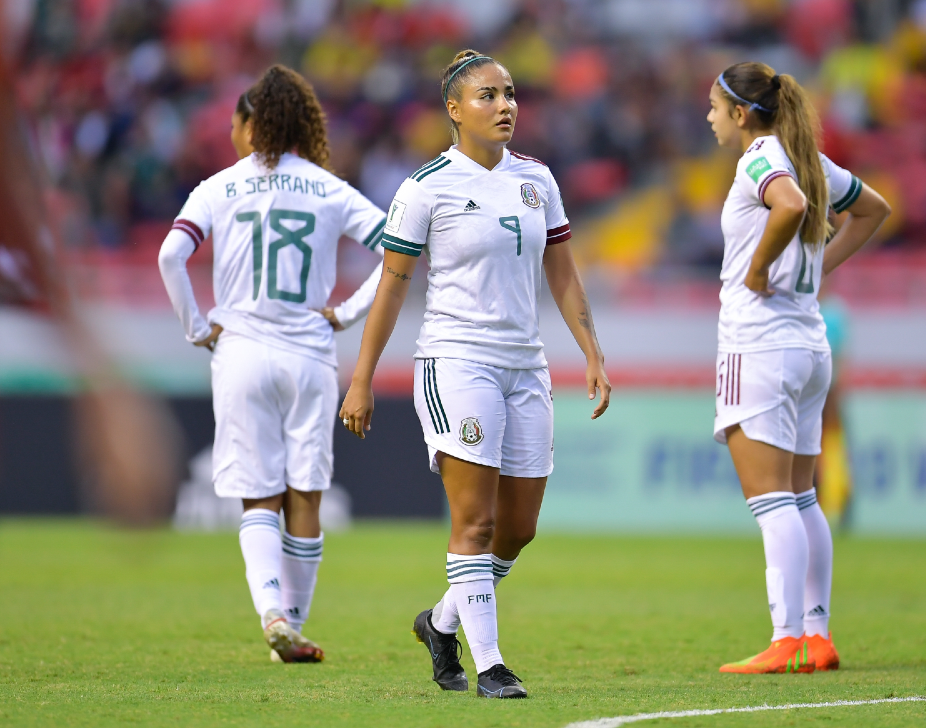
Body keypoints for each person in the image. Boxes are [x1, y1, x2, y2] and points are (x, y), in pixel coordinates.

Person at [338, 49, 610, 699]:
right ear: (454, 111)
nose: (505, 105)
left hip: (526, 363)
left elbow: (563, 271)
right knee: (476, 524)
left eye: (510, 93)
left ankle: (439, 622)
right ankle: (489, 665)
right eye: (487, 96)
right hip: (457, 360)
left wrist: (592, 352)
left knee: (519, 528)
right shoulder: (426, 186)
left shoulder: (537, 180)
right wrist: (361, 376)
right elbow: (393, 287)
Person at [158, 64, 388, 663]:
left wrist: (197, 328)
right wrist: (346, 313)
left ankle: (272, 613)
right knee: (304, 494)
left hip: (240, 348)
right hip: (309, 350)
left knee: (257, 498)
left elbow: (169, 255)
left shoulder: (218, 186)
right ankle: (297, 624)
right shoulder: (327, 187)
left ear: (248, 123)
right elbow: (399, 249)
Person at [706, 62, 890, 674]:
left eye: (714, 106)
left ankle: (785, 639)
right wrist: (817, 271)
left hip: (758, 344)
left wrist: (760, 269)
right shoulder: (809, 157)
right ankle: (817, 635)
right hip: (809, 345)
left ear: (740, 113)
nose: (709, 116)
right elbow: (875, 211)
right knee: (803, 496)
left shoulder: (760, 157)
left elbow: (787, 206)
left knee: (771, 500)